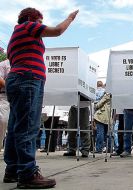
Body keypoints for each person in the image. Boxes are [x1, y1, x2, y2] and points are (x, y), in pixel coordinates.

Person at [3, 7, 78, 188]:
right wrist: (69, 18)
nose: (41, 24)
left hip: (17, 79)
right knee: (28, 126)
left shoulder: (14, 36)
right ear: (30, 18)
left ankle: (12, 170)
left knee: (16, 126)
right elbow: (58, 31)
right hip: (28, 78)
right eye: (40, 20)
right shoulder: (28, 26)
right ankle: (28, 173)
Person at [0, 59, 10, 151]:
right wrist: (11, 87)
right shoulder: (4, 64)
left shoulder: (24, 64)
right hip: (4, 96)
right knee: (3, 120)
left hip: (19, 97)